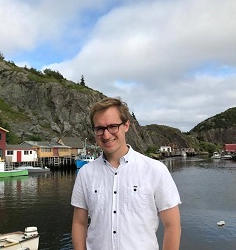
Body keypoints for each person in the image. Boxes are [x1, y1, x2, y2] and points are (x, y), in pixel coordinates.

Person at [71, 97, 181, 250]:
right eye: (100, 129)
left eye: (113, 126)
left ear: (126, 125)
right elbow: (79, 223)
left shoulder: (155, 170)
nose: (106, 135)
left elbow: (172, 225)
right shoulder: (85, 174)